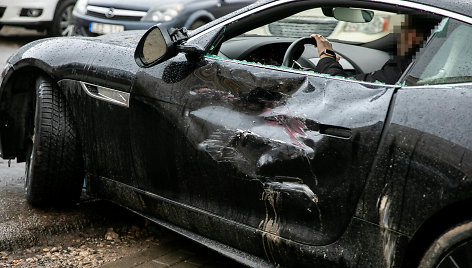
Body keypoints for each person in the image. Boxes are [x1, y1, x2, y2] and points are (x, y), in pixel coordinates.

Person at [311, 15, 438, 84]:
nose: (399, 36)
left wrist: (326, 56)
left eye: (403, 30)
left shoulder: (401, 71)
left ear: (412, 37)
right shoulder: (428, 64)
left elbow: (339, 87)